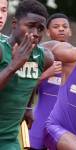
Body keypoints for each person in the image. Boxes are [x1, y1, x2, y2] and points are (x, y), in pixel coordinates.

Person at [0, 0, 54, 149]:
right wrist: (13, 66)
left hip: (8, 140)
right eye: (30, 26)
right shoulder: (1, 50)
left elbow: (31, 80)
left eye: (40, 29)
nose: (35, 34)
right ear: (15, 24)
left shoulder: (44, 58)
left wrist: (28, 107)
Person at [29, 13, 72, 150]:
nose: (61, 29)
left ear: (70, 31)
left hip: (64, 124)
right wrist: (48, 73)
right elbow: (26, 87)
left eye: (65, 26)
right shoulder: (39, 56)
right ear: (47, 31)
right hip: (39, 120)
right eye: (56, 26)